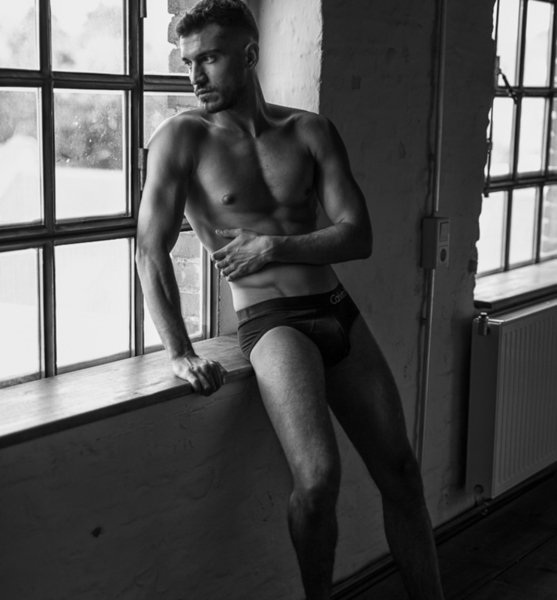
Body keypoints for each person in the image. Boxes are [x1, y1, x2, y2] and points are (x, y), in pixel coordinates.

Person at [136, 1, 445, 598]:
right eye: (187, 61)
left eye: (209, 58)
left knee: (403, 473)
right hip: (271, 322)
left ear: (250, 54)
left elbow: (358, 235)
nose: (194, 75)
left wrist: (273, 246)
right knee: (319, 479)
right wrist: (179, 351)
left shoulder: (309, 130)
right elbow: (150, 252)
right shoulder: (180, 138)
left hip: (336, 308)